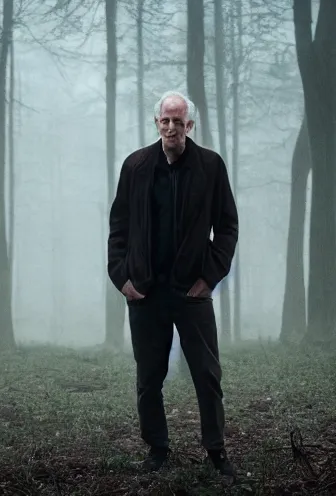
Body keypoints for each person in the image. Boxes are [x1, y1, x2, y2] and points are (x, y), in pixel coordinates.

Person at [107, 90, 239, 477]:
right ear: (156, 122)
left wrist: (210, 276)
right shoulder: (136, 165)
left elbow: (227, 226)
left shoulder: (211, 166)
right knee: (148, 377)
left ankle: (216, 450)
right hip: (145, 292)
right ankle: (157, 448)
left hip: (191, 291)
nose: (171, 127)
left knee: (207, 375)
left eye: (178, 121)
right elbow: (119, 226)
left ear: (189, 125)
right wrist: (122, 276)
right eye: (165, 120)